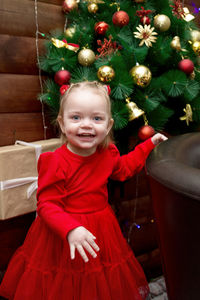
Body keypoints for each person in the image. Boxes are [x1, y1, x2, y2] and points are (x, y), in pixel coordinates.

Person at [0, 81, 167, 300]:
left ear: (108, 126)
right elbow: (47, 205)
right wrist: (70, 229)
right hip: (62, 232)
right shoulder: (55, 161)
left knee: (98, 280)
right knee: (64, 282)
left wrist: (148, 146)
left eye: (96, 118)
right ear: (62, 123)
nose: (86, 125)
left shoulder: (108, 153)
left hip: (100, 230)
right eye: (76, 117)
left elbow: (124, 169)